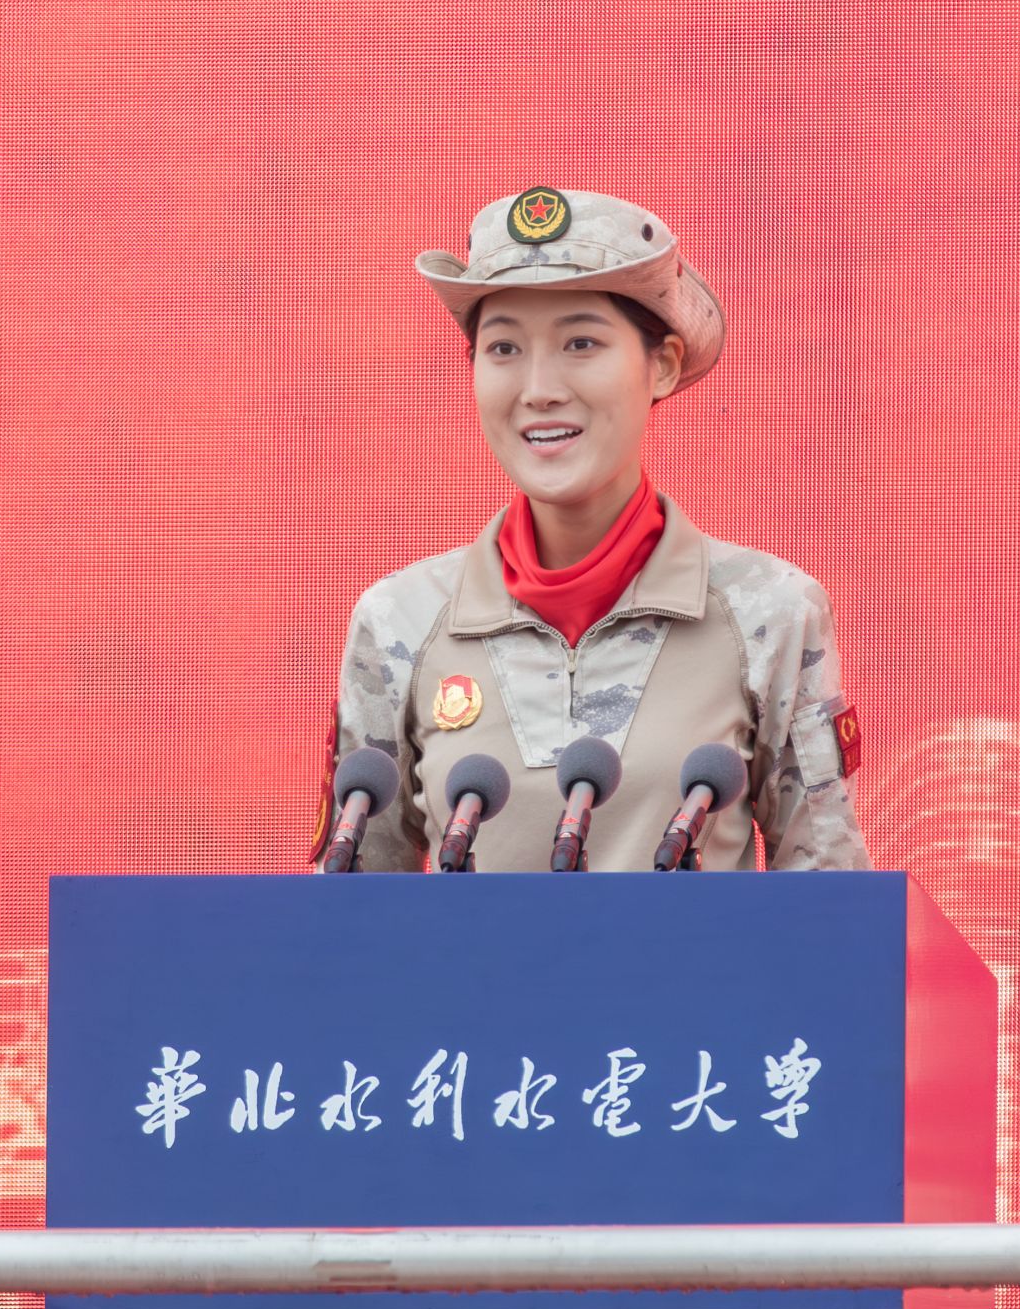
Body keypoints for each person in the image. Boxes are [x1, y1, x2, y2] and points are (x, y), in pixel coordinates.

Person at [319, 186, 869, 873]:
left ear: (662, 365)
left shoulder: (771, 613)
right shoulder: (399, 620)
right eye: (503, 347)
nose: (538, 388)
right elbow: (351, 911)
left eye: (581, 342)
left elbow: (829, 901)